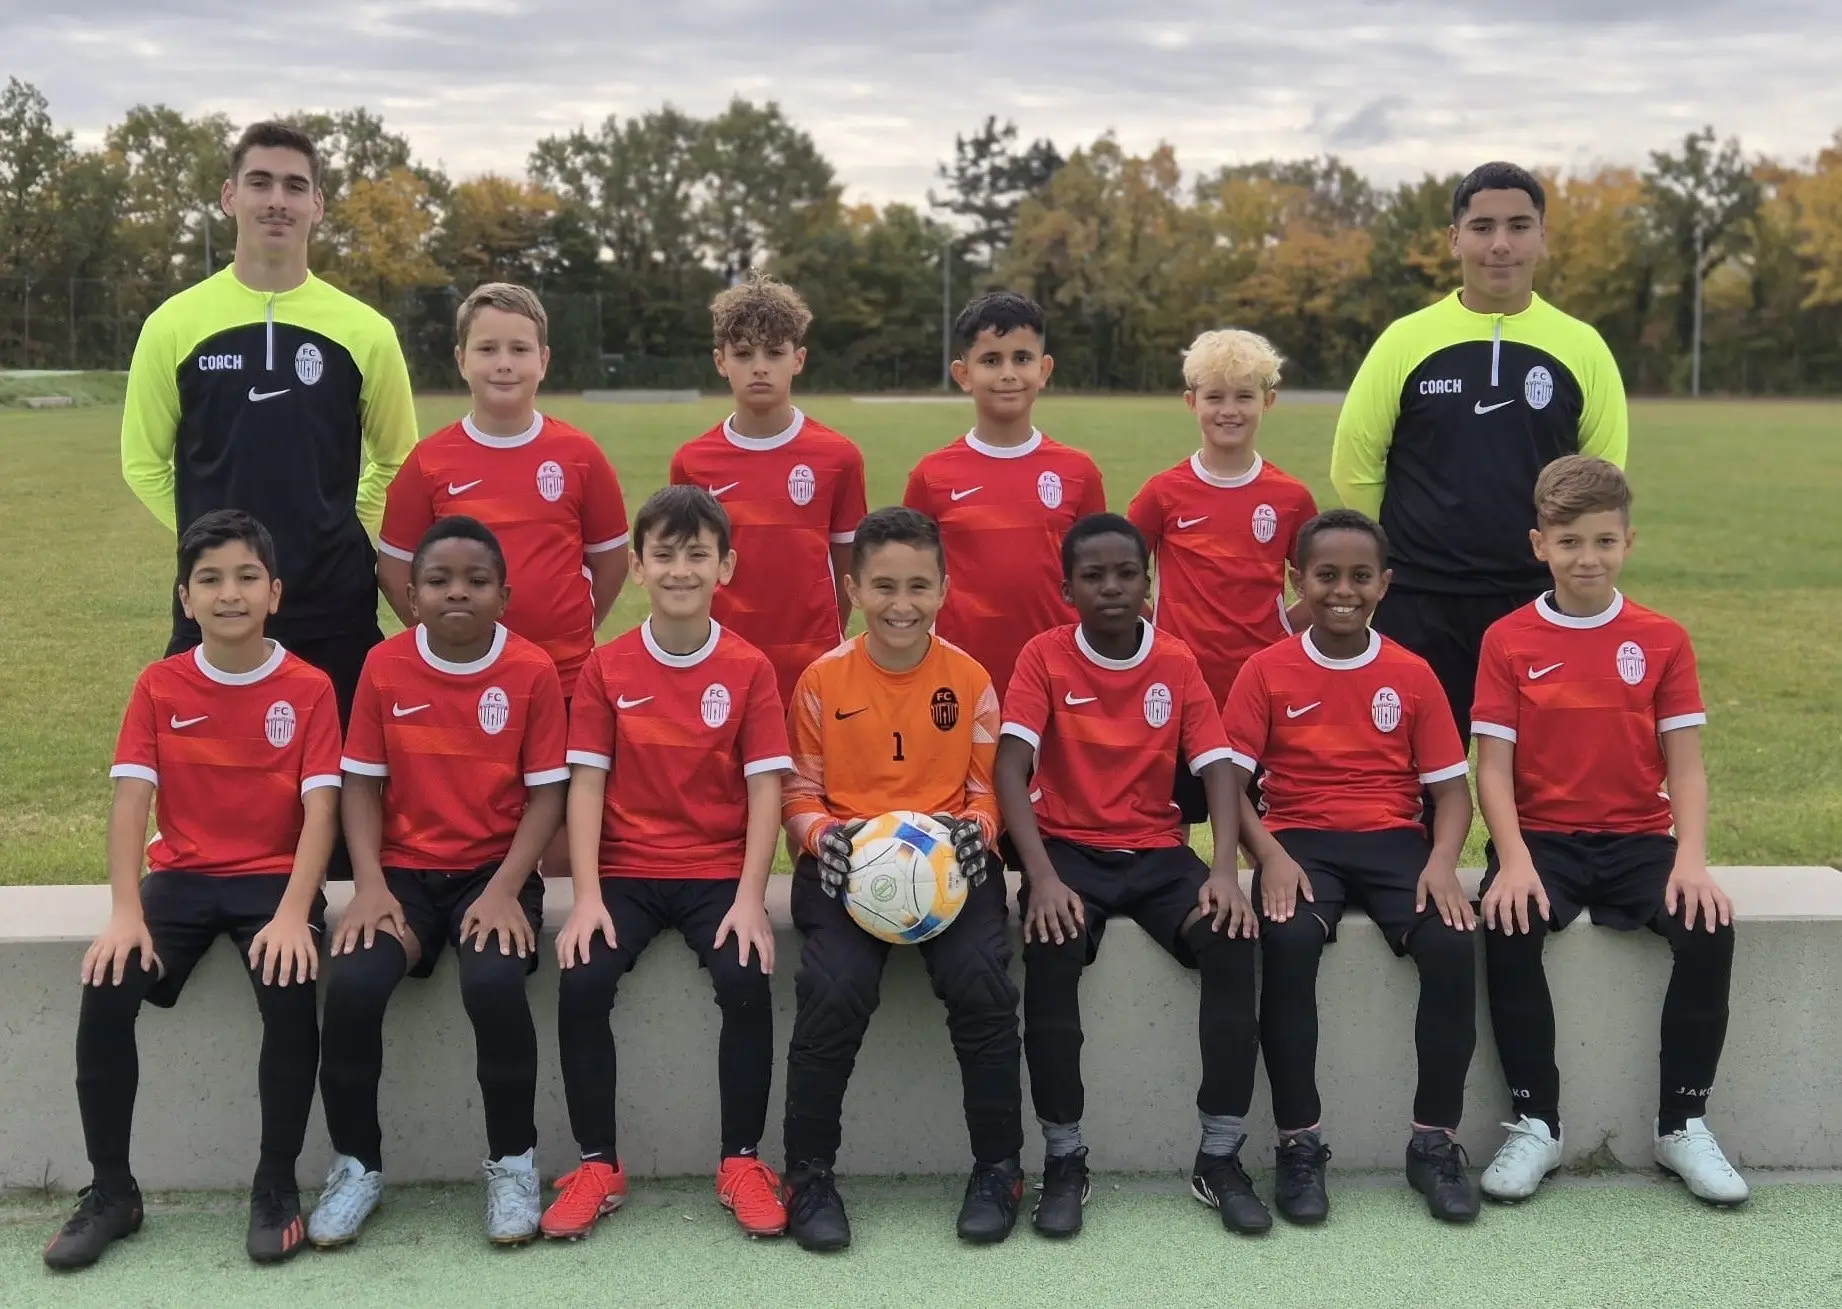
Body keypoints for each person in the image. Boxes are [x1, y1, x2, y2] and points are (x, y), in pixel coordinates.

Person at [44, 510, 341, 1271]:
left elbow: (320, 812)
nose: (229, 592)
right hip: (180, 877)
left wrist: (291, 914)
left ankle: (275, 1183)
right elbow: (130, 803)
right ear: (186, 597)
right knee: (106, 984)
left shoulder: (307, 688)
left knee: (289, 977)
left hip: (275, 879)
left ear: (274, 592)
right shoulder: (159, 683)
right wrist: (123, 911)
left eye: (246, 577)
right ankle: (113, 1190)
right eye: (209, 579)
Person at [1473, 456, 1746, 1206]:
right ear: (1539, 544)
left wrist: (1691, 859)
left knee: (1709, 926)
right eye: (1568, 542)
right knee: (1507, 918)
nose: (1585, 558)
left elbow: (1685, 769)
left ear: (1629, 542)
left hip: (1636, 839)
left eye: (1602, 541)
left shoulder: (1662, 638)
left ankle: (1682, 1121)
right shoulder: (1507, 638)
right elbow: (1491, 770)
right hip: (1543, 840)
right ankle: (1537, 1122)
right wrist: (1516, 861)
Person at [996, 514, 1263, 1239]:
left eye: (1126, 573)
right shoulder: (1043, 657)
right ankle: (1064, 1158)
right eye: (1094, 575)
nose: (1112, 587)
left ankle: (1220, 1153)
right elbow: (1010, 770)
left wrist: (1225, 870)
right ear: (1066, 589)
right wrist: (1041, 877)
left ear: (1147, 583)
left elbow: (1217, 770)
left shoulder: (1175, 660)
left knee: (1232, 940)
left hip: (1155, 855)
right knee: (1050, 949)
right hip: (1069, 853)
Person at [309, 517, 568, 1248]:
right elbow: (360, 785)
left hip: (497, 870)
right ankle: (358, 1164)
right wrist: (367, 884)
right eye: (439, 580)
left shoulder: (532, 670)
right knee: (355, 984)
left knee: (491, 983)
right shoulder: (385, 667)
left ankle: (513, 1163)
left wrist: (504, 887)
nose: (458, 591)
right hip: (403, 875)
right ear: (412, 595)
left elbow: (547, 795)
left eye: (476, 580)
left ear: (504, 594)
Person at [543, 486, 793, 1241]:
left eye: (698, 554)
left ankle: (741, 1162)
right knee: (582, 979)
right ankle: (598, 1165)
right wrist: (586, 895)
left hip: (717, 873)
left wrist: (751, 898)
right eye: (665, 554)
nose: (681, 568)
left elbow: (764, 790)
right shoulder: (607, 667)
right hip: (624, 873)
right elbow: (585, 784)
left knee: (746, 980)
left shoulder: (749, 668)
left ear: (726, 566)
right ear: (638, 566)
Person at [1222, 509, 1481, 1226]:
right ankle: (1298, 1144)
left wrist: (1440, 862)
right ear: (1296, 580)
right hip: (1300, 839)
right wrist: (1267, 854)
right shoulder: (1265, 670)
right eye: (1326, 575)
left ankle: (1434, 1141)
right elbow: (1231, 787)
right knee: (1290, 938)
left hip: (1396, 842)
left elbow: (1451, 792)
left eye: (1360, 576)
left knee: (1453, 942)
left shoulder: (1412, 672)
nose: (1343, 590)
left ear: (1385, 583)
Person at [778, 507, 1022, 1252]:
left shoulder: (971, 680)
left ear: (945, 588)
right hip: (848, 862)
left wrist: (977, 834)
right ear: (854, 588)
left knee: (982, 982)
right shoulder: (821, 682)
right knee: (833, 990)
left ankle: (998, 1167)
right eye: (883, 585)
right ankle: (808, 1173)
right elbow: (798, 794)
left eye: (919, 585)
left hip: (949, 862)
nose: (901, 602)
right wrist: (825, 837)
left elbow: (986, 792)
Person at [120, 120, 419, 726]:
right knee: (214, 797)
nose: (277, 200)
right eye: (260, 183)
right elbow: (143, 463)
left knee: (343, 797)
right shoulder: (173, 325)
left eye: (294, 185)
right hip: (219, 607)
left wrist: (343, 526)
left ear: (317, 204)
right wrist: (209, 541)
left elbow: (399, 461)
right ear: (231, 197)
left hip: (332, 604)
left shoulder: (366, 331)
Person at [1329, 161, 1629, 741]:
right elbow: (1356, 464)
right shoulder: (1405, 339)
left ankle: (1525, 842)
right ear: (1454, 238)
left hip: (1539, 598)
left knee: (1540, 767)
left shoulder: (1582, 346)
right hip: (1420, 598)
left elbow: (1600, 479)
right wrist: (1418, 543)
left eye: (1519, 226)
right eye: (1483, 226)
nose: (1500, 244)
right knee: (1407, 770)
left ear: (1542, 237)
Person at [378, 281, 628, 876]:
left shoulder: (580, 455)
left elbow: (610, 561)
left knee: (567, 835)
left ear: (543, 360)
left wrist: (573, 625)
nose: (504, 363)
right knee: (478, 821)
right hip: (464, 682)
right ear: (461, 359)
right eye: (487, 349)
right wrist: (447, 638)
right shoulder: (430, 462)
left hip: (565, 679)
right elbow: (395, 567)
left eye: (519, 349)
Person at [1127, 328, 1317, 826]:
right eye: (1214, 396)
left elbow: (1320, 585)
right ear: (1191, 402)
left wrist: (1282, 625)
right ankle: (1180, 897)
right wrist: (1158, 627)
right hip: (1182, 685)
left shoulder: (1290, 497)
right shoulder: (1163, 493)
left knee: (1262, 818)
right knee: (1174, 818)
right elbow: (1121, 576)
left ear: (1268, 401)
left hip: (1263, 686)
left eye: (1244, 396)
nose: (1228, 409)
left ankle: (1263, 903)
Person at [670, 273, 867, 704]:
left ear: (798, 359)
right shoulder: (692, 461)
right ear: (721, 361)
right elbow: (686, 567)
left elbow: (846, 562)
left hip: (812, 666)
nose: (760, 366)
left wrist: (821, 637)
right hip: (720, 663)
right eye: (743, 353)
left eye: (774, 352)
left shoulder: (839, 457)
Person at [904, 291, 1106, 700]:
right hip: (961, 679)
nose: (1008, 373)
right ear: (963, 374)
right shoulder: (932, 475)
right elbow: (914, 581)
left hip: (1058, 678)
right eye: (991, 360)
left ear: (1044, 369)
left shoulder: (1078, 472)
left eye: (1022, 358)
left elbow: (1094, 580)